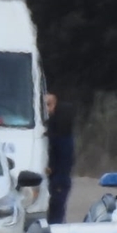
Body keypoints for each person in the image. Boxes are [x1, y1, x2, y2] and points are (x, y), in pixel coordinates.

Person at [45, 94, 75, 224]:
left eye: (49, 105)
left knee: (55, 213)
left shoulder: (61, 138)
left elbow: (62, 160)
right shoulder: (60, 136)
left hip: (59, 180)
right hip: (60, 179)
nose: (47, 110)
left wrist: (51, 169)